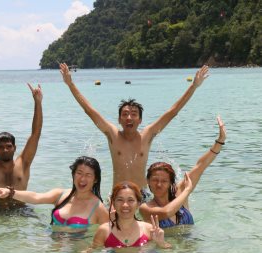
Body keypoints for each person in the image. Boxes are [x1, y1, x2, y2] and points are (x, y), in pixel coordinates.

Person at [60, 63, 209, 198]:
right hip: (118, 194)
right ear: (119, 120)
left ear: (140, 120)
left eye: (134, 114)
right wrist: (70, 84)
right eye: (124, 114)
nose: (129, 118)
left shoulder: (148, 135)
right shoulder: (113, 135)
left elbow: (173, 111)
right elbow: (89, 110)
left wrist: (194, 86)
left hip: (141, 195)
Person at [139, 116, 227, 228]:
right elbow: (166, 212)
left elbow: (200, 166)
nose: (159, 184)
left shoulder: (180, 192)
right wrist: (187, 191)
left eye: (164, 181)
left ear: (171, 183)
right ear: (148, 181)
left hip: (191, 243)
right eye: (155, 180)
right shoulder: (146, 208)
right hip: (163, 245)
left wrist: (220, 140)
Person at [0, 156, 109, 231]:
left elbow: (108, 236)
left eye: (88, 175)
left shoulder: (98, 208)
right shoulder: (60, 195)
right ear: (73, 174)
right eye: (79, 173)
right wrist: (10, 192)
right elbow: (36, 197)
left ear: (95, 179)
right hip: (51, 248)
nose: (82, 179)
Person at [82, 181, 170, 253]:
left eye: (130, 200)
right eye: (120, 200)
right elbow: (91, 251)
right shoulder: (104, 230)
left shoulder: (149, 229)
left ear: (138, 203)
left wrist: (161, 243)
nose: (125, 205)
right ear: (113, 203)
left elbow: (169, 252)